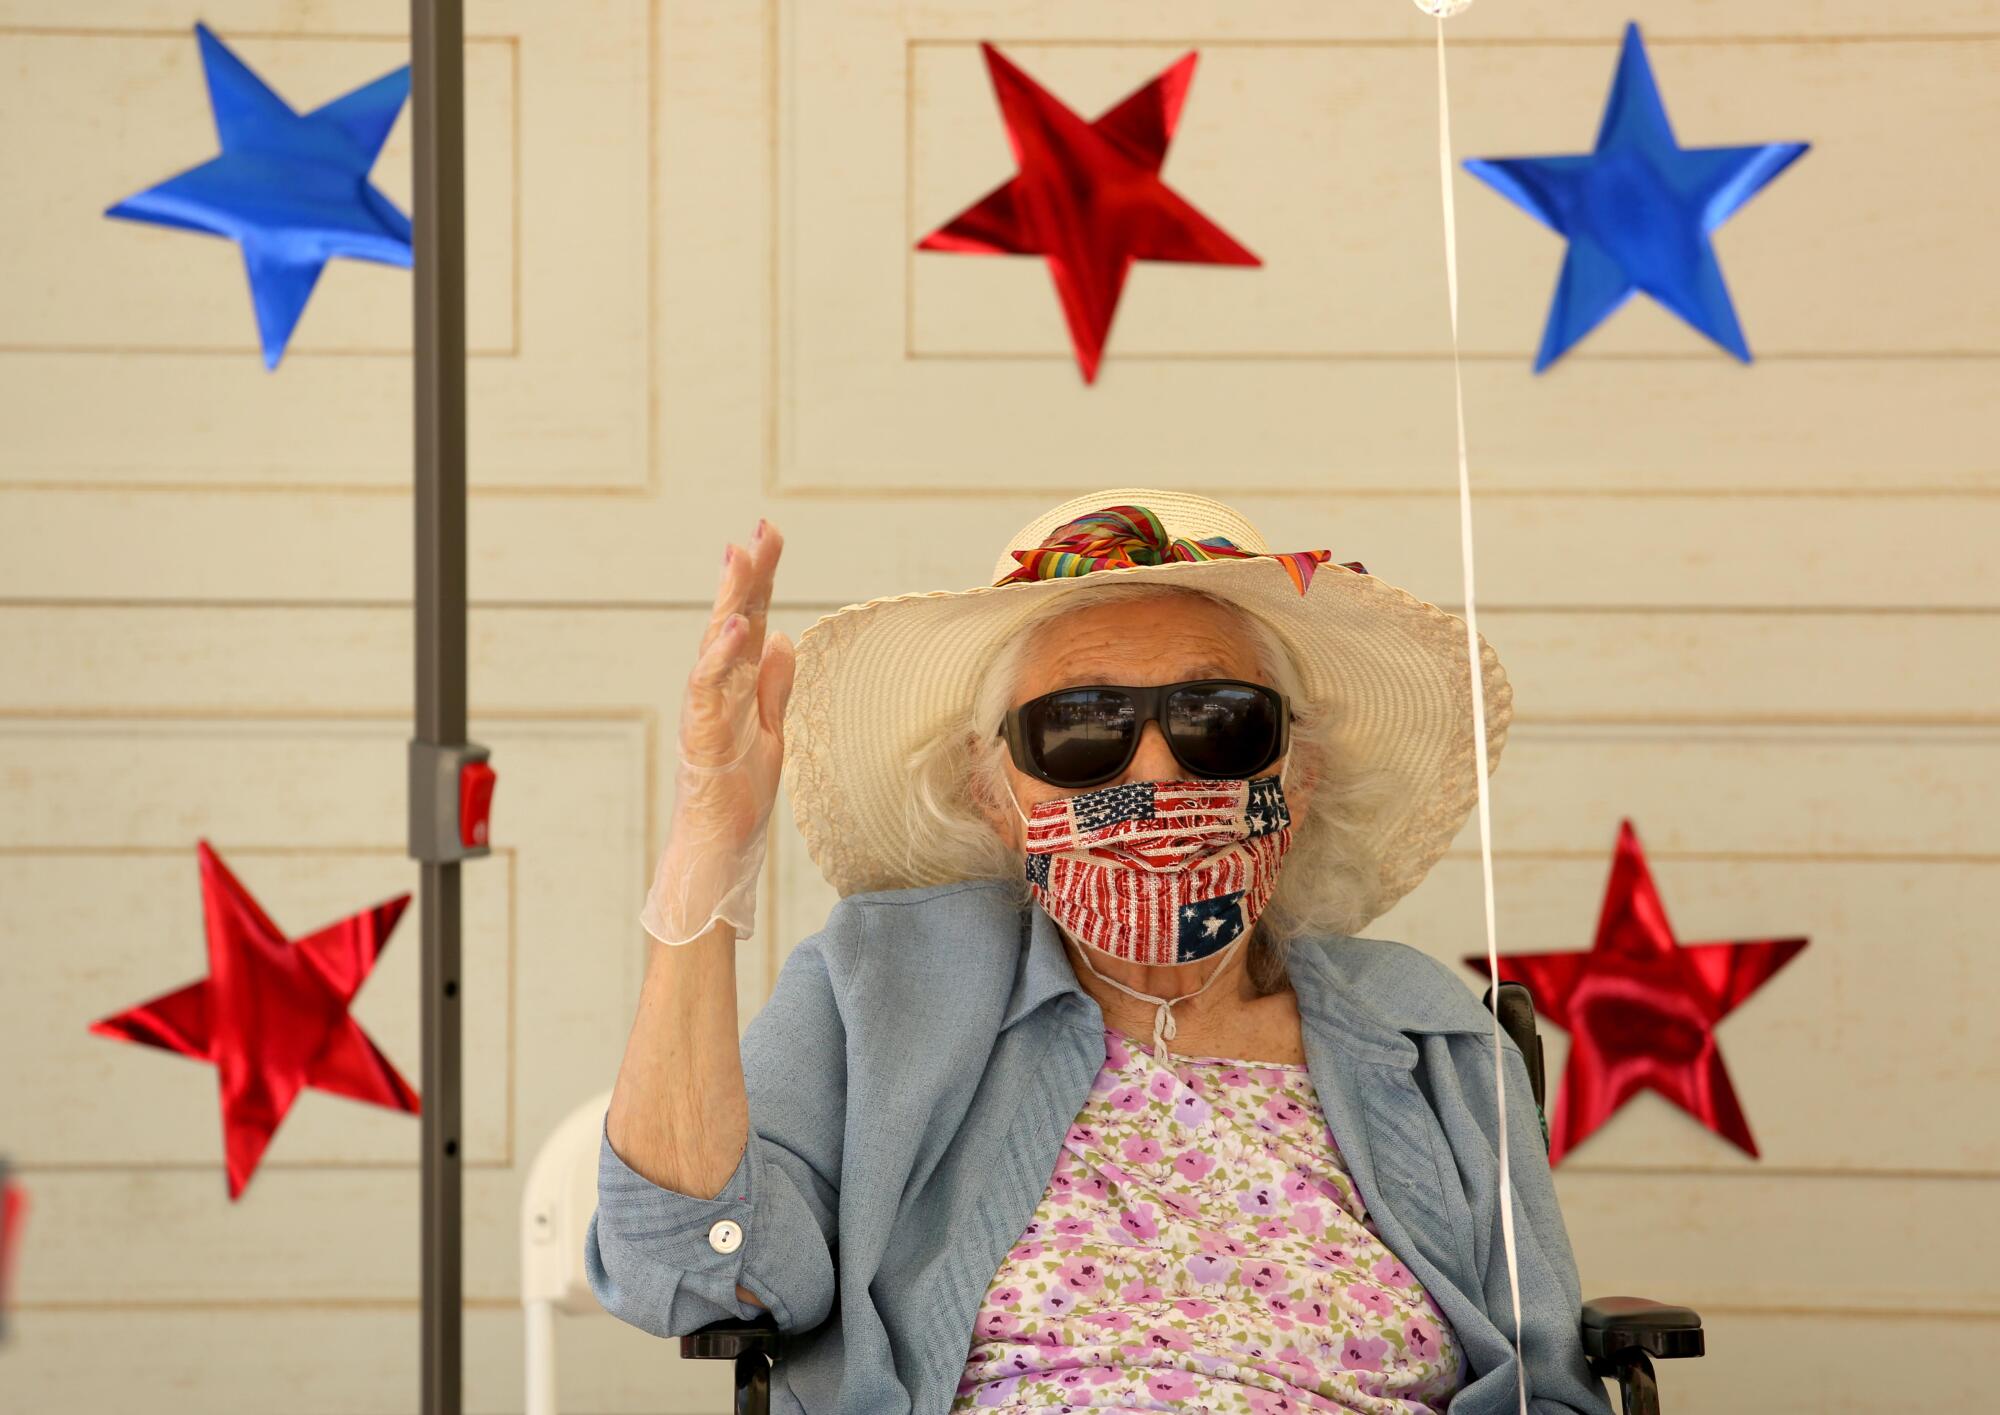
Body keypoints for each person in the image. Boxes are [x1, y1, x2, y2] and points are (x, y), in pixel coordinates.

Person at [587, 489, 1613, 1415]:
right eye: (1080, 730)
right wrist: (706, 846)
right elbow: (689, 1272)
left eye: (1219, 722)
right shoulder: (882, 983)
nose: (1159, 768)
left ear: (1297, 776)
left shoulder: (1424, 1025)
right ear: (995, 795)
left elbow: (1547, 1385)